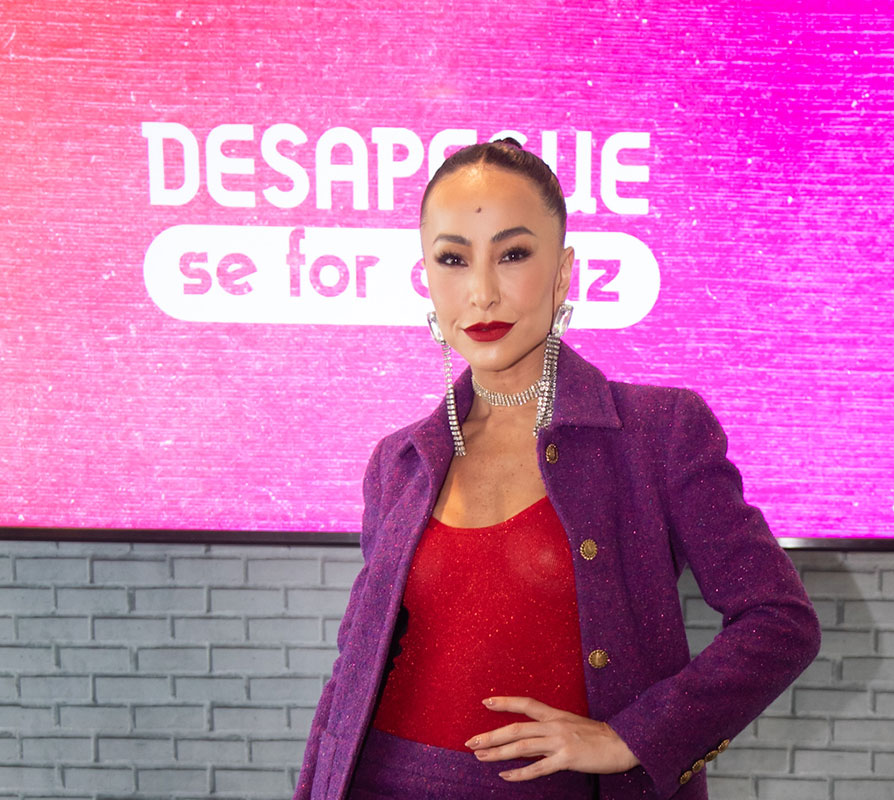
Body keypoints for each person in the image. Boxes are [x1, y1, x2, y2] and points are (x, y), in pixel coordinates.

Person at [294, 139, 820, 800]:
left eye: (513, 254)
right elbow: (354, 667)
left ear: (564, 272)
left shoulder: (658, 432)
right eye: (453, 259)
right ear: (427, 276)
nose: (482, 292)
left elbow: (780, 621)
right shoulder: (398, 461)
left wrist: (634, 738)